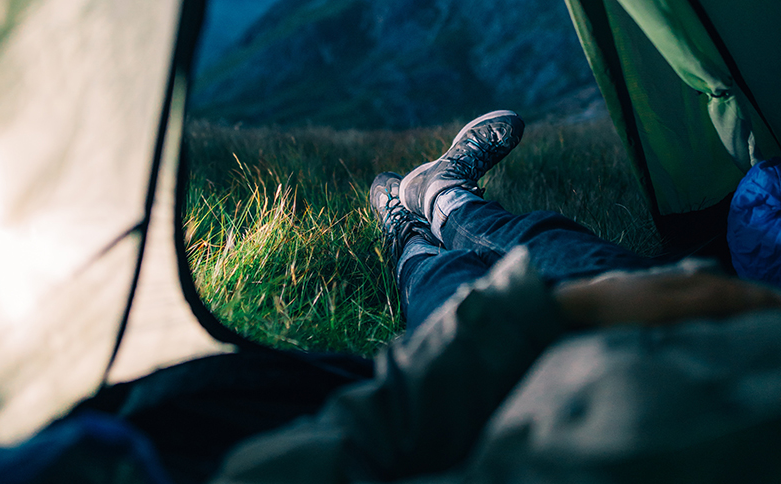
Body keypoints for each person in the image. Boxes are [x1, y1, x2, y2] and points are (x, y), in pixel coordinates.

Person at [213, 111, 781, 483]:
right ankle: (441, 193)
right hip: (682, 323)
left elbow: (323, 452)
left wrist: (557, 310)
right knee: (549, 242)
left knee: (449, 284)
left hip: (499, 404)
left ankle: (405, 229)